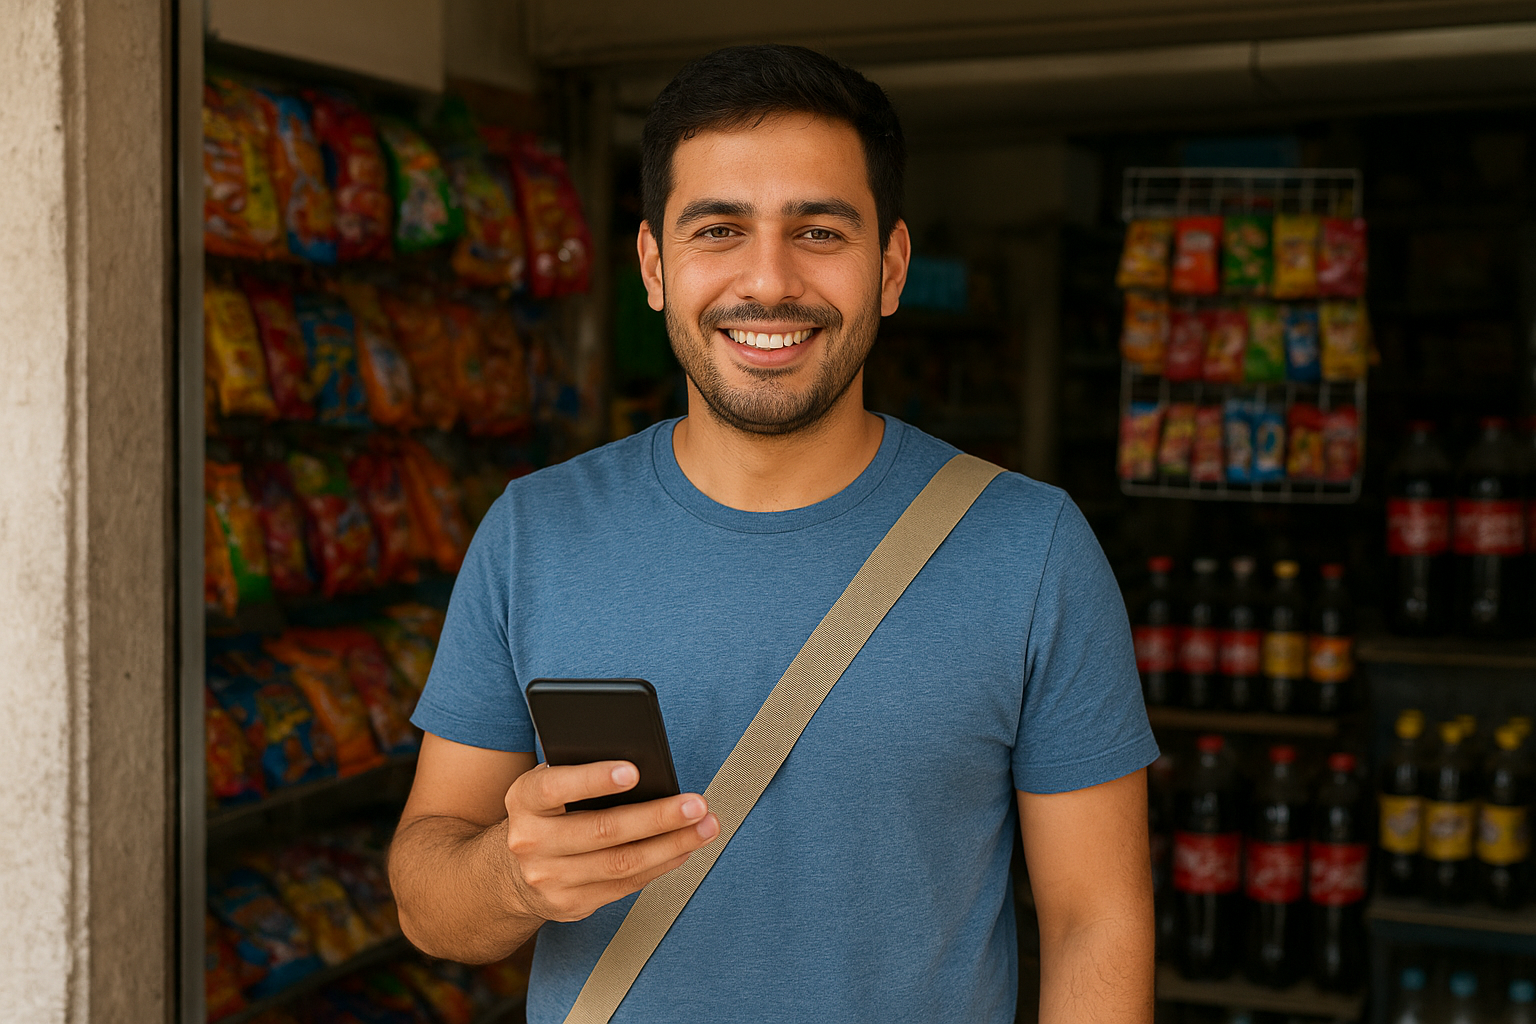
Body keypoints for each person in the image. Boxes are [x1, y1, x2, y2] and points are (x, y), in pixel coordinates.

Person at [389, 43, 1158, 1024]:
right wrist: (508, 876)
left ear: (891, 268)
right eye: (719, 229)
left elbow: (1097, 920)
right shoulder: (534, 532)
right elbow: (426, 897)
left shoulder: (1031, 550)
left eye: (819, 231)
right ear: (654, 267)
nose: (769, 280)